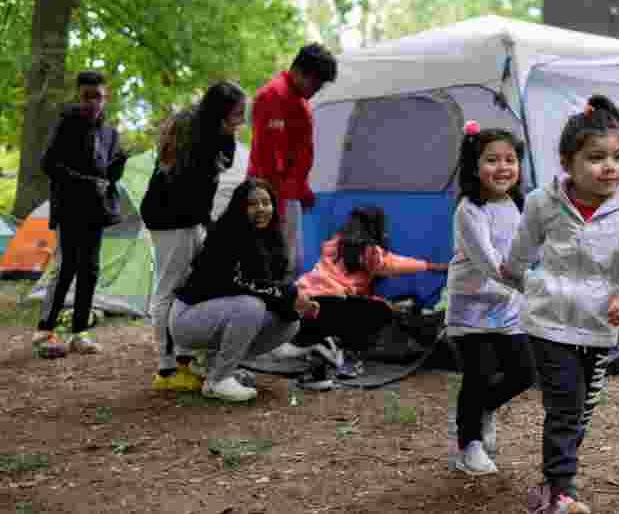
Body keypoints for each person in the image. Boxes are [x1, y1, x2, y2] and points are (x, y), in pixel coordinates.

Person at [502, 95, 619, 514]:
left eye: (617, 157)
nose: (609, 166)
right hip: (549, 322)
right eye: (595, 158)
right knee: (566, 405)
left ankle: (554, 477)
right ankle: (560, 493)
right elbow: (521, 250)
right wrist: (518, 274)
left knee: (581, 409)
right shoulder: (543, 202)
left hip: (599, 324)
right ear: (567, 163)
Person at [170, 178, 319, 403]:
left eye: (266, 202)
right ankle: (219, 381)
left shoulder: (271, 240)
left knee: (290, 323)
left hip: (223, 314)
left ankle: (212, 365)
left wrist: (298, 305)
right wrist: (290, 295)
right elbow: (236, 283)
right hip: (188, 318)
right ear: (240, 207)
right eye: (252, 204)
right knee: (251, 306)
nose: (261, 209)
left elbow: (270, 291)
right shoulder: (225, 234)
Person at [140, 81, 246, 392]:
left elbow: (210, 181)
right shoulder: (197, 136)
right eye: (238, 113)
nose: (241, 120)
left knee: (188, 283)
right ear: (221, 112)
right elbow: (190, 188)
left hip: (187, 218)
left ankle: (183, 361)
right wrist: (208, 224)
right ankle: (167, 369)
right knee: (169, 289)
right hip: (169, 219)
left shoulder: (214, 135)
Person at [445, 121, 537, 475]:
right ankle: (468, 445)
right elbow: (491, 264)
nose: (502, 168)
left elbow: (528, 250)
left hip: (508, 308)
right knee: (479, 374)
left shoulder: (518, 205)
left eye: (510, 160)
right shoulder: (470, 210)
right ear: (474, 166)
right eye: (492, 160)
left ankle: (482, 410)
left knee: (522, 373)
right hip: (471, 310)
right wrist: (539, 291)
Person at [291, 205, 449, 390]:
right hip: (330, 304)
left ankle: (320, 345)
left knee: (347, 309)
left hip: (299, 305)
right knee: (379, 310)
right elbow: (397, 263)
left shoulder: (332, 244)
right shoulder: (370, 252)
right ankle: (348, 354)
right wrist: (432, 266)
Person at [33, 70, 127, 356]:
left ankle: (79, 334)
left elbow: (109, 173)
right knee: (67, 267)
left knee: (91, 270)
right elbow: (49, 165)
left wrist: (117, 167)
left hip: (96, 211)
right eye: (87, 97)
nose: (93, 103)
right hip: (70, 208)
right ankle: (44, 330)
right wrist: (87, 183)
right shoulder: (67, 125)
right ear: (79, 97)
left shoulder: (110, 133)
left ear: (105, 98)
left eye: (98, 97)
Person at [248, 43, 337, 281]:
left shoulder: (300, 102)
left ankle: (281, 314)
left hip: (290, 196)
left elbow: (299, 153)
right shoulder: (272, 96)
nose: (317, 90)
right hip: (272, 197)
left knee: (290, 264)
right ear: (299, 72)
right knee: (276, 264)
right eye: (316, 83)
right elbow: (267, 157)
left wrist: (302, 190)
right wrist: (271, 205)